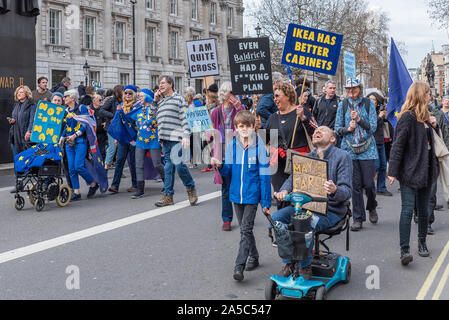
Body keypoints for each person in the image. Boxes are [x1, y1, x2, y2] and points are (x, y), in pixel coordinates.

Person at [272, 126, 352, 279]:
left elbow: (347, 191)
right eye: (315, 130)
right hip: (305, 207)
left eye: (322, 130)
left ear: (333, 138)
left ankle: (304, 267)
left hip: (330, 210)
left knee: (303, 223)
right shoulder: (307, 157)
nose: (317, 131)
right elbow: (292, 179)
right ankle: (289, 262)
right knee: (276, 219)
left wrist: (335, 189)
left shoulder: (343, 156)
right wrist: (284, 191)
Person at [211, 110, 271, 281]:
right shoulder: (232, 146)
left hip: (252, 196)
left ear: (254, 127)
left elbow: (265, 177)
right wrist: (220, 166)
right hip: (236, 195)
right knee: (246, 231)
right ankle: (254, 256)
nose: (244, 129)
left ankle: (239, 266)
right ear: (236, 128)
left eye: (248, 126)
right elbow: (228, 170)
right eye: (240, 126)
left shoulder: (260, 148)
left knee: (245, 229)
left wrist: (265, 201)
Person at [387, 81, 439, 265]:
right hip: (410, 171)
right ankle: (404, 250)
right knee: (408, 210)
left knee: (424, 210)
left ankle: (422, 243)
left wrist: (434, 126)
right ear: (419, 95)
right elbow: (398, 146)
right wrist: (392, 171)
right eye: (427, 93)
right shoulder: (407, 117)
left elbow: (432, 143)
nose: (430, 96)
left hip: (427, 170)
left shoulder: (425, 117)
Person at [265, 81, 314, 209]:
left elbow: (315, 133)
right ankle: (283, 226)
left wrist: (304, 118)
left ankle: (298, 226)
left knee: (299, 197)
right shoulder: (272, 118)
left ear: (287, 96)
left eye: (277, 96)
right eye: (274, 96)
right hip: (279, 164)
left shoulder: (301, 111)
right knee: (281, 197)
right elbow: (266, 141)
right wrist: (258, 129)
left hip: (299, 161)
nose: (274, 99)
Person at [150, 75, 198, 207]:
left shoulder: (179, 99)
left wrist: (186, 135)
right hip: (165, 139)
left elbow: (184, 118)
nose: (160, 85)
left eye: (163, 83)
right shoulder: (160, 101)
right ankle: (168, 196)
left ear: (171, 84)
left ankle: (190, 188)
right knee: (168, 168)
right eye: (159, 83)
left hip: (177, 138)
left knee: (179, 166)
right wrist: (154, 101)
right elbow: (151, 116)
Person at [209, 82, 246, 231]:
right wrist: (208, 133)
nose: (234, 96)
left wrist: (240, 108)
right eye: (231, 92)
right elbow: (209, 134)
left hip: (238, 151)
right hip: (222, 153)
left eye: (234, 93)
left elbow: (247, 123)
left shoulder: (239, 109)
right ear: (225, 94)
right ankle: (227, 219)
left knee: (240, 184)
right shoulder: (216, 111)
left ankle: (244, 216)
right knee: (226, 187)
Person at [60, 89, 99, 201]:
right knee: (71, 168)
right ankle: (76, 192)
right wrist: (62, 138)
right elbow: (67, 127)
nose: (64, 99)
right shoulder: (66, 111)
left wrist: (75, 135)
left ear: (72, 98)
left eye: (66, 96)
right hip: (69, 142)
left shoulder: (81, 108)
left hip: (80, 140)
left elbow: (85, 124)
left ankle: (92, 183)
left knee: (78, 166)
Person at [130, 90, 164, 199]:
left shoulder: (155, 109)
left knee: (157, 164)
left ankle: (167, 182)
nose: (139, 98)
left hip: (154, 140)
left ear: (148, 96)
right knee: (138, 165)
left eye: (141, 96)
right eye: (139, 96)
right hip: (140, 141)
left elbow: (160, 123)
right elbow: (131, 124)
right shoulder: (137, 111)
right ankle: (140, 190)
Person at [108, 85, 140, 194]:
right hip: (123, 138)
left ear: (134, 94)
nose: (127, 95)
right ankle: (114, 185)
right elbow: (119, 124)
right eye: (126, 93)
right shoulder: (121, 106)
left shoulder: (138, 106)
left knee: (133, 162)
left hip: (133, 138)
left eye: (130, 93)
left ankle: (135, 184)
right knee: (120, 160)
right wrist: (117, 137)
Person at [367, 92, 392, 197]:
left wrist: (385, 116)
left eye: (373, 99)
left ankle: (381, 188)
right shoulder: (366, 112)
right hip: (371, 142)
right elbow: (369, 126)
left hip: (381, 141)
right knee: (375, 166)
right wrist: (379, 117)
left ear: (377, 102)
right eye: (370, 99)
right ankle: (368, 187)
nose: (371, 101)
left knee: (382, 165)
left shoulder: (380, 111)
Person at [99, 85, 124, 170]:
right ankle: (106, 166)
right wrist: (112, 116)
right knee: (112, 146)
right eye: (123, 90)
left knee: (119, 148)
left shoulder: (124, 100)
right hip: (112, 127)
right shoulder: (112, 100)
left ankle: (117, 166)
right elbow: (102, 110)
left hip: (121, 126)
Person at [8, 85, 36, 157]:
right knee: (17, 159)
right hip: (15, 136)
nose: (18, 94)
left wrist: (29, 131)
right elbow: (15, 117)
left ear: (26, 93)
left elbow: (32, 119)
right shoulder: (16, 105)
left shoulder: (31, 105)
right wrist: (12, 120)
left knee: (26, 159)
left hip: (26, 136)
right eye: (17, 93)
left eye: (21, 92)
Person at [184, 86, 201, 168]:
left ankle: (192, 161)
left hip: (193, 127)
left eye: (185, 94)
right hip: (190, 128)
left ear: (189, 95)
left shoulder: (192, 105)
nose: (184, 95)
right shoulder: (187, 104)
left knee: (193, 144)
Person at [91, 94, 107, 161]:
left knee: (102, 152)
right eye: (100, 100)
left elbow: (107, 118)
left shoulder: (103, 109)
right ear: (94, 101)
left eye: (102, 99)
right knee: (93, 153)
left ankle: (102, 168)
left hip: (101, 134)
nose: (101, 101)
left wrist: (106, 122)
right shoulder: (89, 110)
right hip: (92, 135)